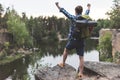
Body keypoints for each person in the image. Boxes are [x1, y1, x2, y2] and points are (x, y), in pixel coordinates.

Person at [55, 2, 91, 78]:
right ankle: (80, 73)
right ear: (81, 11)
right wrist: (88, 7)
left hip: (73, 40)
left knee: (66, 50)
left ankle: (63, 63)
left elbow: (64, 11)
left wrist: (57, 5)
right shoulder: (85, 18)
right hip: (81, 40)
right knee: (81, 57)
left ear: (75, 11)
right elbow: (87, 12)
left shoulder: (73, 17)